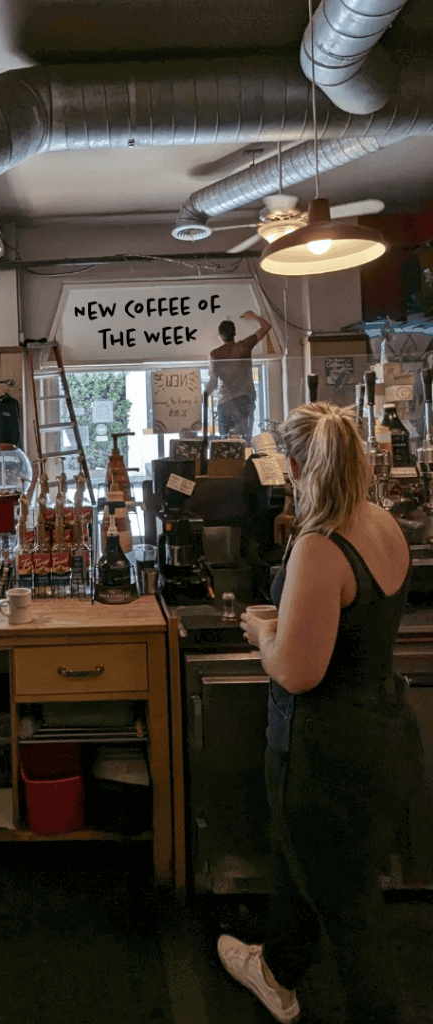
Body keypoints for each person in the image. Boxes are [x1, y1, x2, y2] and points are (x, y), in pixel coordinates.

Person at [217, 401, 423, 1024]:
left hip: (325, 756)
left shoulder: (318, 544)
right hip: (386, 734)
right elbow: (346, 628)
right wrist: (289, 628)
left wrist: (259, 633)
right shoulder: (382, 524)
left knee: (350, 918)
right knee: (314, 869)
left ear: (299, 464)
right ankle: (277, 972)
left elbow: (298, 671)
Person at [204, 309, 270, 441]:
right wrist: (254, 316)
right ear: (234, 334)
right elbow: (266, 327)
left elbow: (214, 380)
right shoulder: (244, 346)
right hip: (244, 401)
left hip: (225, 402)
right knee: (244, 442)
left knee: (225, 445)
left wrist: (204, 396)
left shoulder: (215, 354)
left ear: (219, 335)